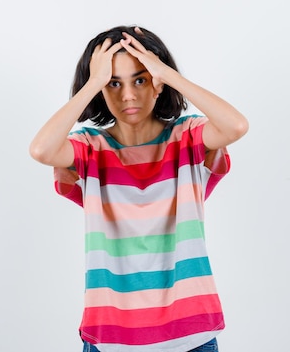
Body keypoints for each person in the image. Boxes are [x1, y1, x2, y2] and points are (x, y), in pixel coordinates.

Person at [29, 25, 248, 352]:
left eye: (141, 79)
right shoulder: (90, 148)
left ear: (158, 82)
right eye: (113, 82)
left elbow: (236, 126)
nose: (127, 95)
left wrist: (168, 74)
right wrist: (92, 83)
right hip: (110, 337)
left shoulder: (187, 137)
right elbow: (41, 151)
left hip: (191, 334)